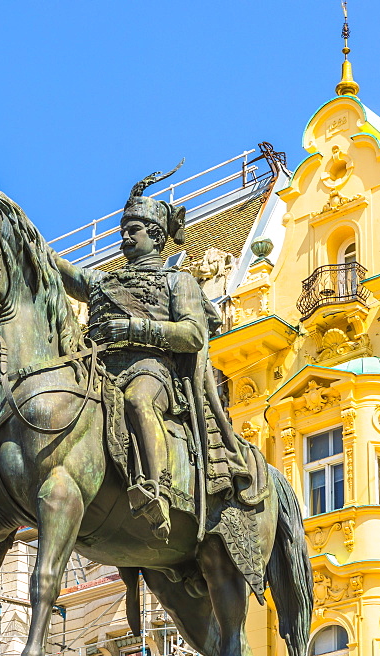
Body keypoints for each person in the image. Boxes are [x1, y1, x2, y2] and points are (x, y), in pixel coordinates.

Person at [51, 164, 261, 541]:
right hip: (101, 369)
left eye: (133, 231)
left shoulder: (178, 281)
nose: (124, 239)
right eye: (122, 232)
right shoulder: (105, 281)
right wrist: (21, 233)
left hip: (152, 371)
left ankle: (156, 490)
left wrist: (135, 328)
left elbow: (194, 333)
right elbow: (63, 271)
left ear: (156, 234)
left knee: (138, 401)